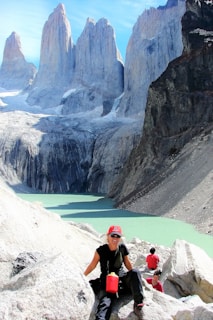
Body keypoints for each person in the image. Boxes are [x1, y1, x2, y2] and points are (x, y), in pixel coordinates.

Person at [84, 225, 144, 320]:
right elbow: (92, 265)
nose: (115, 239)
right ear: (108, 236)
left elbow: (128, 264)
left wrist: (135, 279)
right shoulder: (100, 251)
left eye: (118, 236)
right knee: (104, 307)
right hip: (108, 284)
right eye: (113, 236)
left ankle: (138, 304)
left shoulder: (122, 248)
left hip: (121, 282)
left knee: (136, 272)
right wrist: (82, 276)